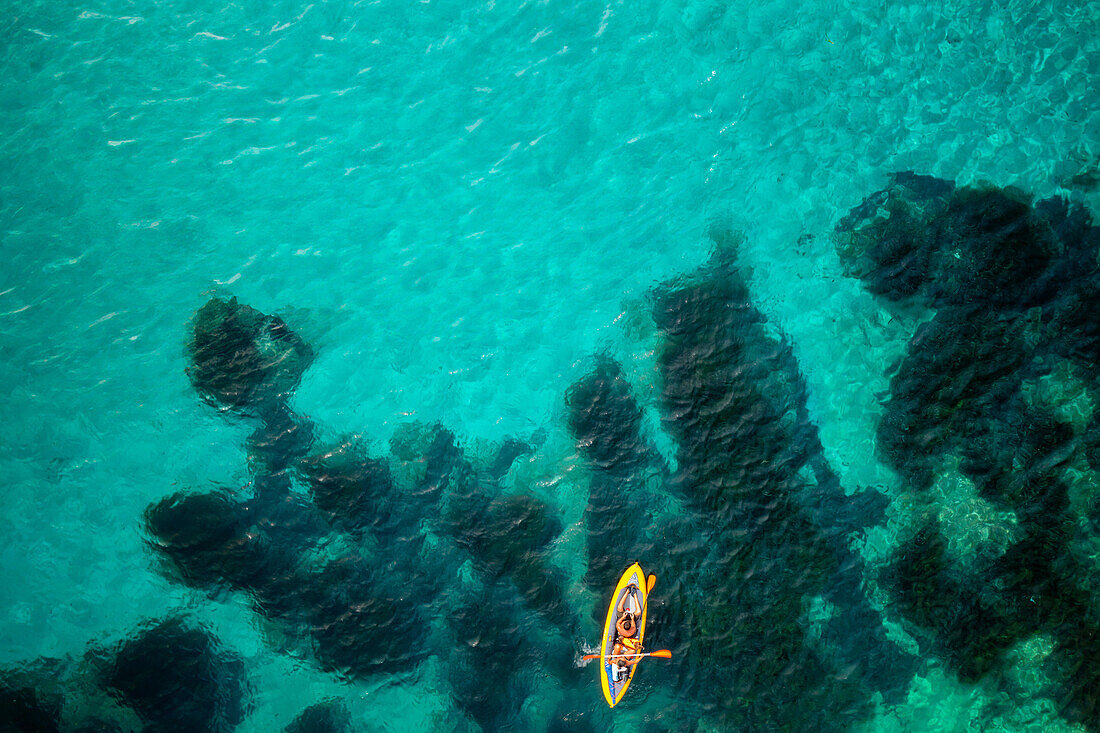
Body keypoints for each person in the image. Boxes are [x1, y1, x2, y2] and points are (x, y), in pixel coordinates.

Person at [608, 585, 643, 678]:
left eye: (622, 657)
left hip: (623, 636)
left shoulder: (619, 627)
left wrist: (623, 617)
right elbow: (633, 625)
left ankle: (627, 591)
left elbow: (609, 662)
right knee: (638, 611)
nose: (623, 657)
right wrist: (631, 619)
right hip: (629, 628)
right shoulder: (632, 629)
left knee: (619, 608)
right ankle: (634, 594)